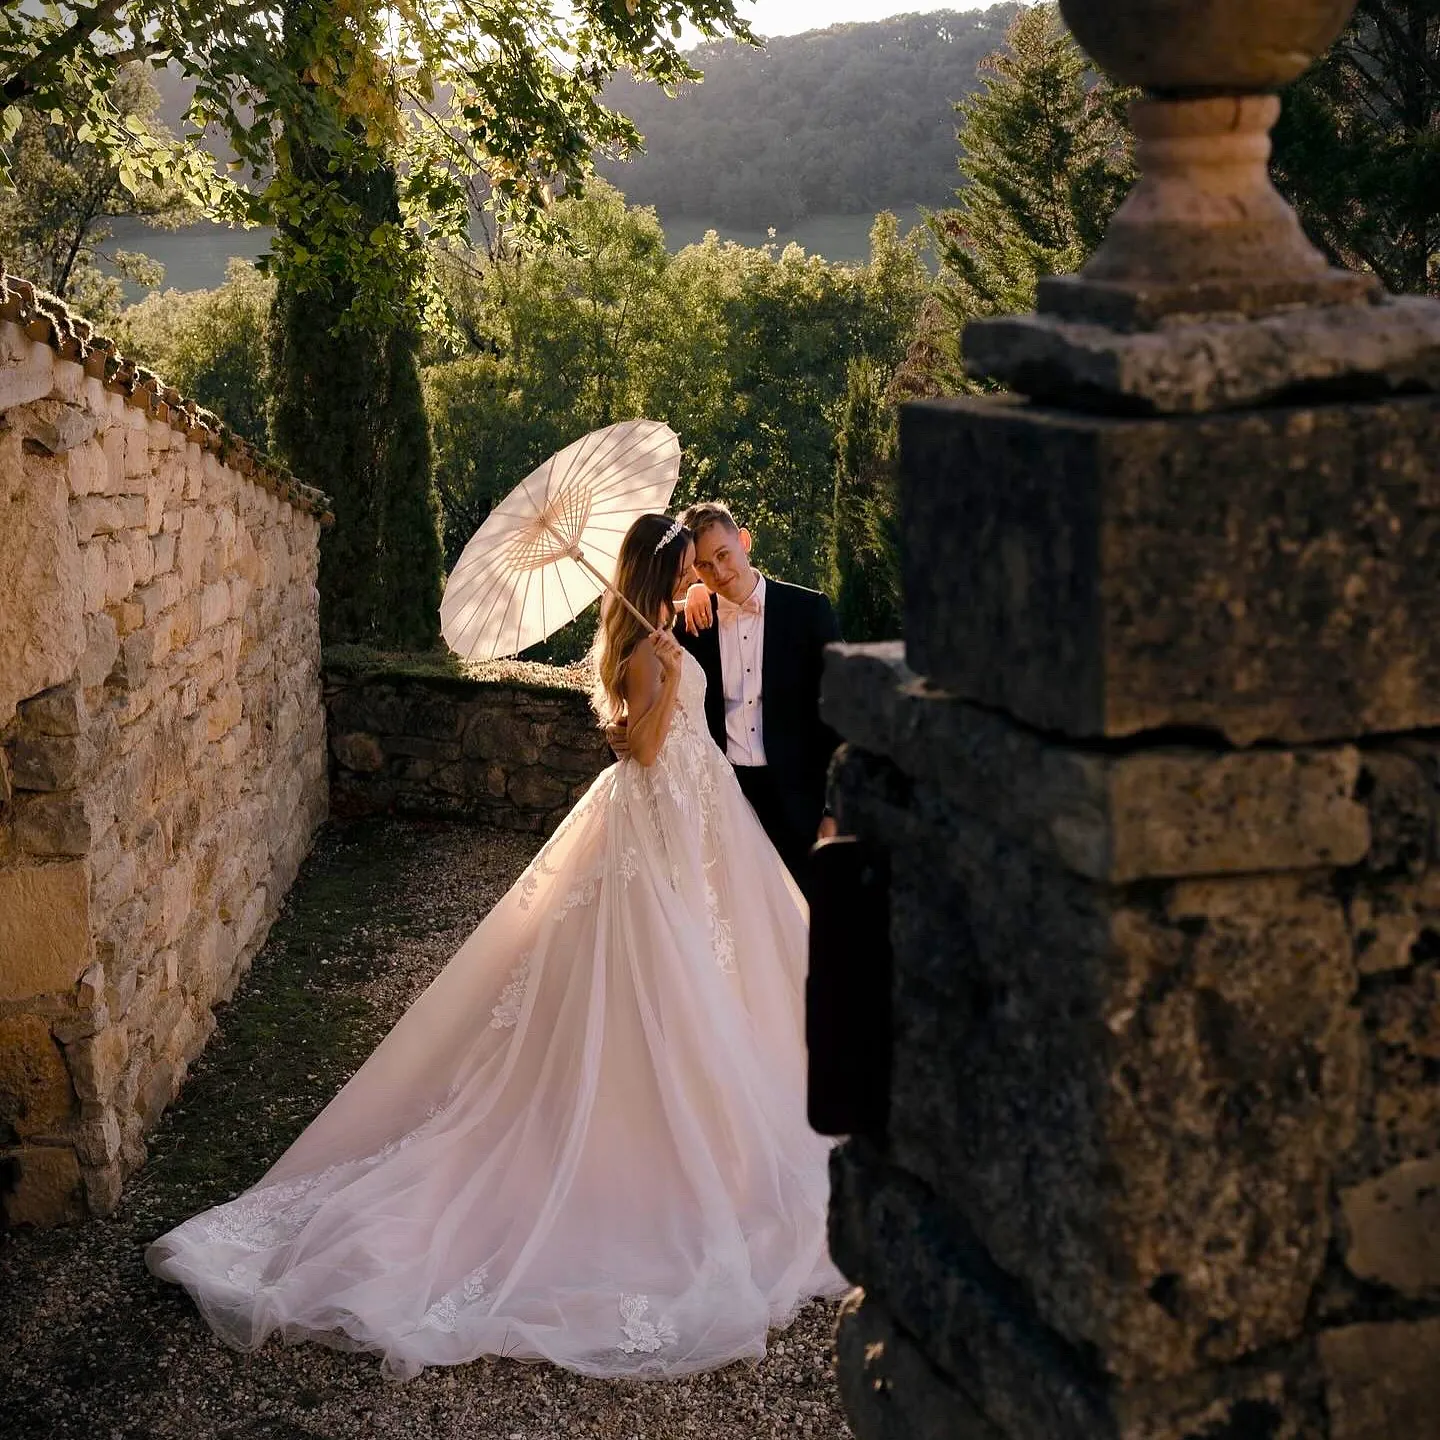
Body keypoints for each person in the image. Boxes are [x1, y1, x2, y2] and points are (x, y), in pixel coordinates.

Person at [146, 513, 846, 1381]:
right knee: (654, 984)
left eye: (700, 565)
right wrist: (664, 675)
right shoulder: (650, 654)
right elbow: (646, 745)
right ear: (659, 575)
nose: (693, 579)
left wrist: (677, 636)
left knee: (715, 973)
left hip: (697, 824)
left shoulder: (681, 625)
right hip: (654, 822)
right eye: (682, 568)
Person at [675, 502, 843, 894]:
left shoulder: (808, 611)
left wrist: (834, 811)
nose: (718, 572)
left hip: (799, 802)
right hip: (725, 798)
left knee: (804, 927)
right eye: (703, 566)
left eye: (723, 555)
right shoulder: (692, 624)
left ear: (744, 541)